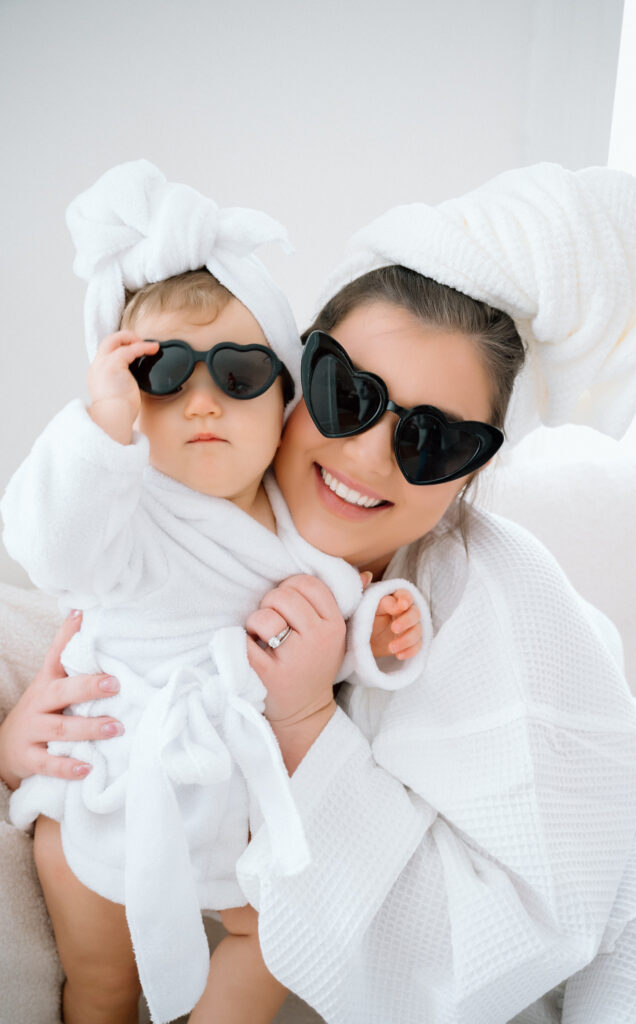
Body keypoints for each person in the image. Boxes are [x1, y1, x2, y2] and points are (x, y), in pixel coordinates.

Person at [1, 162, 636, 1024]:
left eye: (434, 441)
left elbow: (502, 944)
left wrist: (304, 722)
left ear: (474, 473)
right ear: (295, 371)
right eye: (346, 394)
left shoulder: (490, 600)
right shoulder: (205, 518)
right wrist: (31, 739)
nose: (368, 456)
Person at [0, 160, 430, 1024]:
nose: (201, 402)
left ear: (283, 398)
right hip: (108, 785)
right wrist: (95, 428)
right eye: (163, 375)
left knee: (279, 936)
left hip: (236, 811)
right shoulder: (117, 510)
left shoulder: (298, 527)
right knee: (101, 985)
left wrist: (382, 639)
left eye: (236, 375)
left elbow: (326, 621)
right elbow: (46, 546)